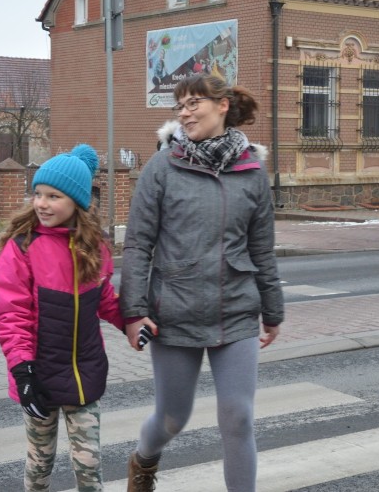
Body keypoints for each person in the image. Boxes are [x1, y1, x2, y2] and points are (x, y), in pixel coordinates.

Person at [120, 73, 285, 492]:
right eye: (180, 105)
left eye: (194, 103)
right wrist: (134, 311)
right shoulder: (162, 167)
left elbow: (263, 249)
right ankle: (144, 460)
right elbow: (138, 245)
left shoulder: (251, 172)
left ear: (222, 105)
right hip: (175, 312)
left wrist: (273, 310)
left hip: (237, 310)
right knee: (173, 418)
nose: (184, 112)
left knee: (238, 416)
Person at [0, 144, 123, 492]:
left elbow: (104, 298)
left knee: (90, 465)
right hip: (39, 377)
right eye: (37, 194)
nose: (42, 203)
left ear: (76, 202)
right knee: (40, 464)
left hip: (84, 374)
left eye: (53, 196)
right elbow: (11, 315)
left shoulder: (95, 246)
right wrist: (23, 371)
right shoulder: (22, 247)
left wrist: (134, 321)